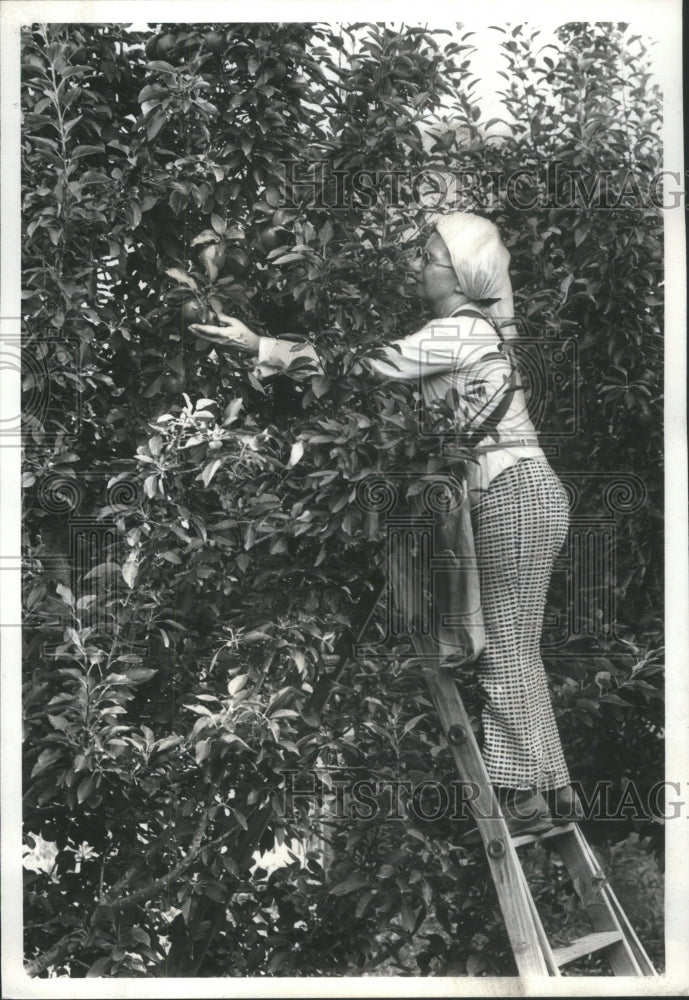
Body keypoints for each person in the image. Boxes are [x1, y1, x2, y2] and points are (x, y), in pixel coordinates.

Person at [190, 211, 582, 835]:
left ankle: (519, 795)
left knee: (503, 649)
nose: (418, 268)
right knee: (519, 646)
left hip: (510, 490)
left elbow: (368, 365)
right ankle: (555, 787)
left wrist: (259, 345)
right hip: (532, 492)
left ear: (459, 276)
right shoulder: (479, 331)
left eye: (429, 259)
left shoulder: (458, 330)